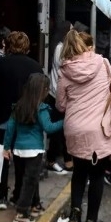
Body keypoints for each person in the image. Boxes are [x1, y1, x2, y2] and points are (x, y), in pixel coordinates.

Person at [56, 30, 111, 222]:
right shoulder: (102, 63)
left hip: (74, 129)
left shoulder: (64, 71)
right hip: (98, 130)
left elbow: (60, 105)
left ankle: (75, 211)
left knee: (79, 172)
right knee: (96, 175)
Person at [0, 31, 44, 210]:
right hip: (26, 119)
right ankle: (19, 195)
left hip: (2, 118)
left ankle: (0, 196)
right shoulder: (35, 66)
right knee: (23, 160)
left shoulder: (0, 65)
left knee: (2, 158)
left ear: (7, 45)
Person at [3, 72, 64, 222]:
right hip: (34, 151)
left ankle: (35, 205)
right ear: (42, 90)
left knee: (30, 178)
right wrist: (65, 121)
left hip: (18, 150)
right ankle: (22, 213)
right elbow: (49, 128)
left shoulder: (19, 106)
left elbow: (10, 127)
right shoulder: (41, 109)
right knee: (30, 181)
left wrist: (6, 147)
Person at [77, 31, 111, 186]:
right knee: (102, 149)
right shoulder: (103, 63)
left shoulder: (68, 65)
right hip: (100, 116)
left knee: (81, 165)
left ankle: (77, 204)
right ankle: (105, 171)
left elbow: (61, 102)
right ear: (91, 47)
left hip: (79, 120)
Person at [46, 20, 74, 175]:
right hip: (57, 95)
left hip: (60, 94)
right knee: (59, 129)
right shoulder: (60, 48)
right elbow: (66, 67)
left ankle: (66, 160)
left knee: (64, 129)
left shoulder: (61, 47)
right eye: (70, 30)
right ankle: (52, 160)